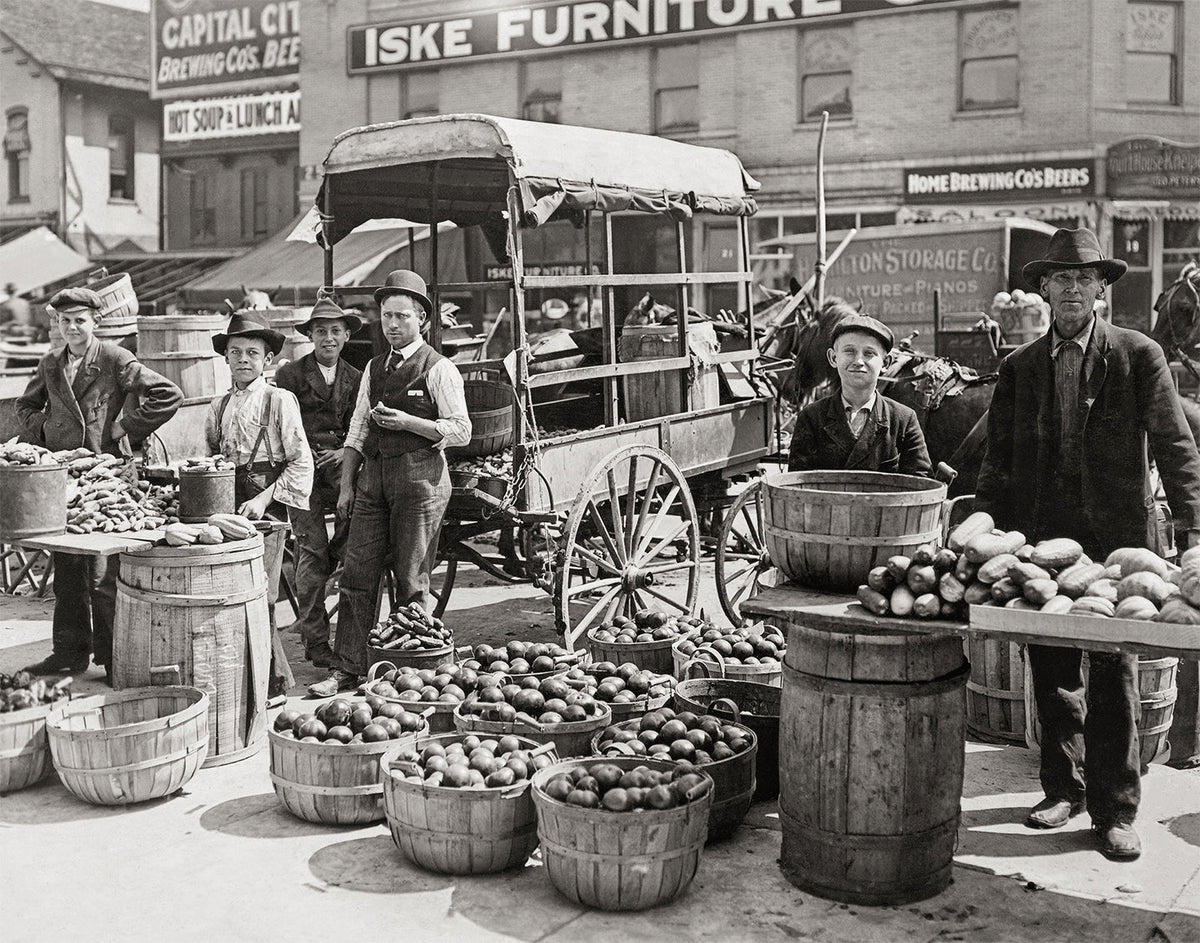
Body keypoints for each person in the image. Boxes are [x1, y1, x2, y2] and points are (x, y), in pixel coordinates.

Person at [974, 227, 1200, 862]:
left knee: (1113, 670)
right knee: (1051, 666)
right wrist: (987, 528)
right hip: (1044, 540)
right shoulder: (1019, 367)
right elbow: (998, 459)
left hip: (1118, 542)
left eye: (1083, 279)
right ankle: (1062, 788)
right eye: (1059, 279)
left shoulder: (1138, 354)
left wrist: (1193, 533)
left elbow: (1177, 447)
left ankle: (1116, 808)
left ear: (1101, 289)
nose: (1071, 289)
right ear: (1043, 289)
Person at [308, 270, 470, 696]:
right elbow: (358, 430)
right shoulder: (374, 369)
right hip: (373, 480)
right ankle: (348, 668)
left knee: (411, 579)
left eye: (402, 316)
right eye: (386, 317)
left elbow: (460, 430)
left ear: (423, 321)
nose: (393, 325)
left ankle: (409, 673)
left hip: (420, 482)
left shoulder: (440, 368)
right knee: (356, 574)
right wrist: (346, 487)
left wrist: (410, 423)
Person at [17, 287, 182, 681]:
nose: (72, 328)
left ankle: (113, 658)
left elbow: (168, 394)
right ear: (56, 324)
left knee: (106, 576)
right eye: (65, 321)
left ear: (96, 322)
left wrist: (126, 425)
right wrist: (46, 428)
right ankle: (69, 653)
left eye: (80, 320)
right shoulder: (51, 364)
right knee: (68, 568)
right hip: (66, 478)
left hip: (107, 475)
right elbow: (25, 407)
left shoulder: (114, 358)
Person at [206, 310, 314, 703]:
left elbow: (301, 460)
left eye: (252, 353)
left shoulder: (278, 400)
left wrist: (264, 498)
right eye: (235, 352)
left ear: (268, 360)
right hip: (228, 507)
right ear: (226, 358)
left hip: (268, 508)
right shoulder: (218, 407)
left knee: (263, 595)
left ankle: (273, 683)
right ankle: (243, 681)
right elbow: (212, 460)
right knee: (230, 594)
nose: (243, 360)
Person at [272, 295, 363, 669]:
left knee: (354, 531)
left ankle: (339, 558)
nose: (328, 338)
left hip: (340, 467)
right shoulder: (289, 376)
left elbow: (362, 428)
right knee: (310, 552)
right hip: (301, 469)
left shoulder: (357, 378)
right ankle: (315, 641)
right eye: (321, 331)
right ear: (310, 335)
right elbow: (282, 427)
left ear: (345, 338)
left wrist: (343, 452)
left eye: (335, 331)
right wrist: (307, 455)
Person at [788, 312, 931, 476]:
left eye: (869, 353)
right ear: (833, 358)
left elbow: (921, 484)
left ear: (886, 363)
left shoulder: (903, 420)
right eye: (849, 351)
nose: (858, 361)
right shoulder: (811, 417)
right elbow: (796, 486)